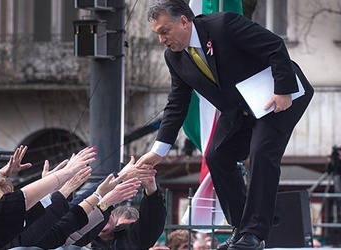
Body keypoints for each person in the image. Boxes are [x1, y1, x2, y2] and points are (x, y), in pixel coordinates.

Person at [137, 1, 314, 249]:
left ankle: (255, 234)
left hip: (277, 98)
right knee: (217, 155)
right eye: (157, 34)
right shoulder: (174, 58)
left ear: (184, 22)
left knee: (261, 153)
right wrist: (158, 152)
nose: (162, 39)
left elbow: (274, 46)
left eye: (165, 31)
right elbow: (177, 104)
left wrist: (283, 89)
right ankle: (241, 227)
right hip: (241, 109)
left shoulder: (223, 25)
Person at [85, 171, 167, 250]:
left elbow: (151, 223)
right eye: (97, 210)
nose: (102, 217)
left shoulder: (131, 237)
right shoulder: (81, 242)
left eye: (106, 210)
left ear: (112, 216)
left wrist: (151, 190)